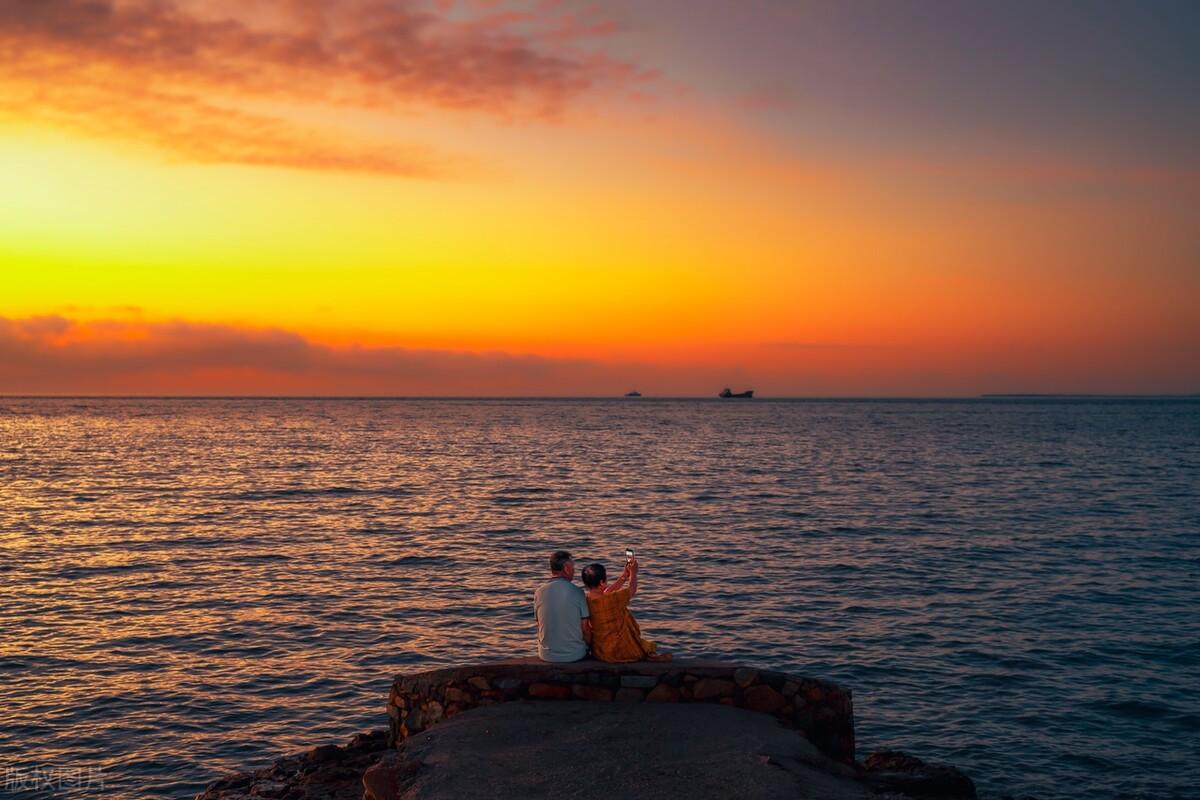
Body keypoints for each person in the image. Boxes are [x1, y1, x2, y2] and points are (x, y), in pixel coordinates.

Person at [581, 556, 670, 662]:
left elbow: (606, 592)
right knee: (647, 646)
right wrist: (633, 573)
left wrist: (624, 576)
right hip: (619, 651)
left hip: (600, 651)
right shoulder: (613, 599)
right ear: (602, 582)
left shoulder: (587, 600)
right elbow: (631, 590)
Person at [534, 550, 592, 662]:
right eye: (573, 567)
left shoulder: (539, 592)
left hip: (546, 655)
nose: (574, 571)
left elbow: (538, 624)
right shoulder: (577, 592)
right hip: (574, 655)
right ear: (566, 568)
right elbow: (585, 629)